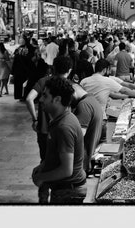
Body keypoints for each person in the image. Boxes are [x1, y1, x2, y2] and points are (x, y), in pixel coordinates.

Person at [32, 76, 87, 204]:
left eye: (45, 96)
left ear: (57, 99)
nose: (40, 100)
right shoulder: (59, 120)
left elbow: (66, 170)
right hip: (64, 189)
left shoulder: (64, 127)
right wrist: (43, 166)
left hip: (69, 192)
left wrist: (41, 177)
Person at [26, 56, 73, 203]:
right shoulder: (69, 85)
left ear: (53, 67)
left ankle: (43, 197)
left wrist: (35, 119)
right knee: (61, 165)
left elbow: (29, 98)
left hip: (44, 131)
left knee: (45, 163)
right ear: (69, 70)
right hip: (60, 134)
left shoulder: (43, 81)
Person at [71, 83, 104, 175]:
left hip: (81, 162)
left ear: (74, 91)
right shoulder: (92, 100)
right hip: (85, 160)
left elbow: (78, 135)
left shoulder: (83, 105)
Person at [12, 36, 35, 101]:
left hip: (27, 69)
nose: (20, 41)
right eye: (20, 40)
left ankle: (25, 96)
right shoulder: (18, 49)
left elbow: (32, 59)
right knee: (19, 84)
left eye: (22, 40)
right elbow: (15, 60)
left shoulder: (30, 48)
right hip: (19, 69)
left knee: (26, 84)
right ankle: (20, 96)